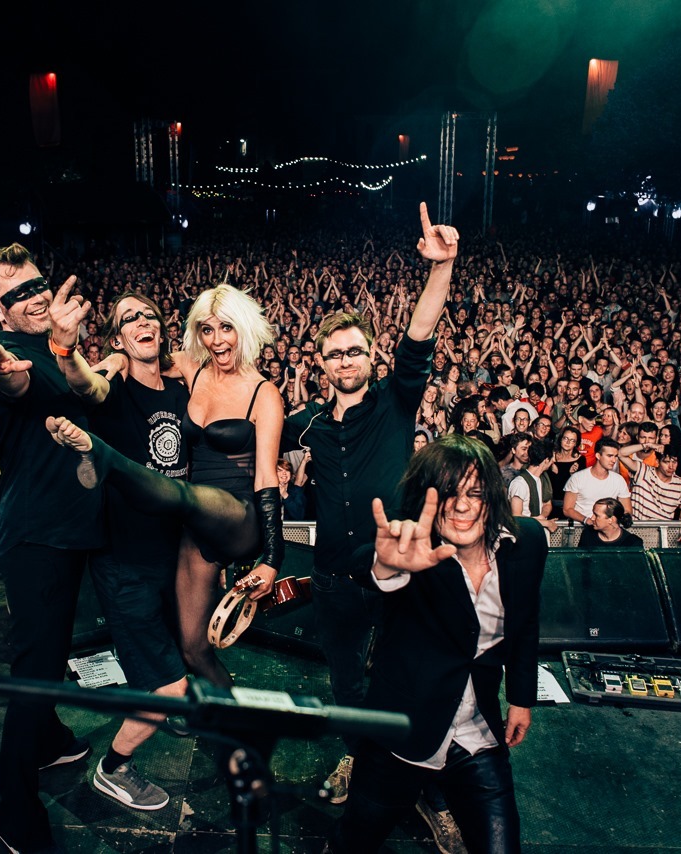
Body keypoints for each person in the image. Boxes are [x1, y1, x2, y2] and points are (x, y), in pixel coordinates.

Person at [280, 203, 464, 845]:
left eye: (355, 351)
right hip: (334, 580)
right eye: (334, 355)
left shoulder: (394, 400)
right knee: (347, 684)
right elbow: (254, 443)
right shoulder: (305, 423)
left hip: (399, 573)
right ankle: (360, 758)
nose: (346, 361)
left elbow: (421, 331)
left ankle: (428, 790)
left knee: (413, 681)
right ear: (321, 364)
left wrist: (440, 268)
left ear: (370, 355)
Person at [48, 279, 286, 691]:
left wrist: (272, 558)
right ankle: (235, 717)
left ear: (244, 329)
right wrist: (116, 359)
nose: (216, 340)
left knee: (182, 496)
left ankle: (102, 457)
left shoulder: (264, 393)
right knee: (193, 648)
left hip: (237, 515)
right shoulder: (193, 369)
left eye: (226, 328)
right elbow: (140, 358)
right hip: (194, 528)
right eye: (207, 329)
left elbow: (267, 477)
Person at [0, 244, 102, 854]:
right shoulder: (9, 355)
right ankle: (14, 806)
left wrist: (68, 346)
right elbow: (13, 379)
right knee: (35, 667)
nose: (34, 297)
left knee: (50, 652)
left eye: (37, 285)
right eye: (16, 294)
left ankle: (50, 740)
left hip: (65, 529)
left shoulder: (57, 347)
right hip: (36, 538)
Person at [327, 434, 545, 854]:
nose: (462, 506)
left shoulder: (528, 542)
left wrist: (521, 698)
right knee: (353, 843)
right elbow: (362, 565)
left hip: (477, 735)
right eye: (447, 493)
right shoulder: (414, 551)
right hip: (400, 735)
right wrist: (384, 563)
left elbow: (526, 622)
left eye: (475, 493)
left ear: (492, 495)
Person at [48, 287, 190, 812]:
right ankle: (114, 768)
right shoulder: (112, 389)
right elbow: (83, 382)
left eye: (149, 313)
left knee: (176, 659)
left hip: (173, 557)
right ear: (117, 339)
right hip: (125, 562)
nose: (142, 321)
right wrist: (66, 349)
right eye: (129, 319)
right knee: (168, 688)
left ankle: (167, 699)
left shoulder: (180, 388)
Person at [619, 442, 681, 546]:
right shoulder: (644, 471)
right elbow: (621, 453)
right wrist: (648, 445)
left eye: (674, 462)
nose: (671, 466)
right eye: (666, 462)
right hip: (634, 532)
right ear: (657, 461)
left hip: (659, 537)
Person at [562, 438, 631, 525]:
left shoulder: (619, 480)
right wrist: (586, 520)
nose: (614, 460)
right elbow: (567, 509)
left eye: (615, 456)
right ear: (598, 456)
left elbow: (627, 509)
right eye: (609, 456)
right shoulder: (578, 478)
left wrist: (624, 518)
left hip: (608, 528)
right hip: (582, 527)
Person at [508, 439, 558, 534]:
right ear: (546, 460)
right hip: (524, 535)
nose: (554, 460)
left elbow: (547, 504)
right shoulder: (520, 483)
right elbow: (516, 517)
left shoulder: (541, 479)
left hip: (536, 534)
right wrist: (545, 523)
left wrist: (542, 518)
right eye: (553, 458)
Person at [578, 496, 645, 548]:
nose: (592, 518)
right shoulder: (587, 534)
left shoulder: (632, 543)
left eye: (596, 515)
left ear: (611, 520)